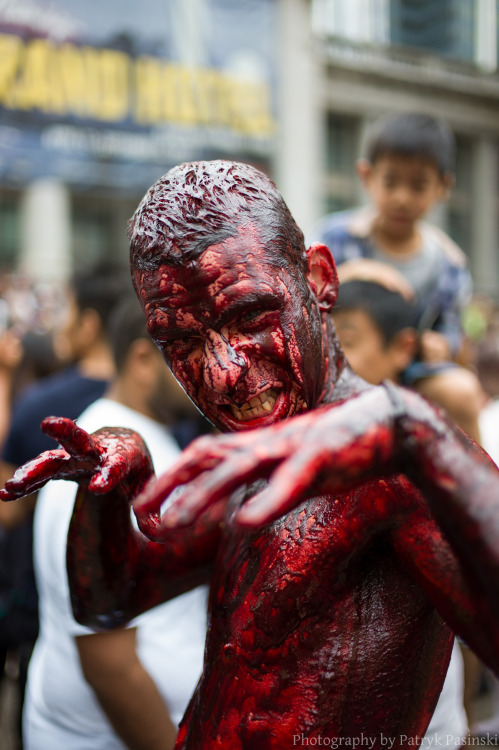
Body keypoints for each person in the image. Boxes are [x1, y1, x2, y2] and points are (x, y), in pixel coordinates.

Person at [3, 160, 499, 750]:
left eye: (249, 317)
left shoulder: (394, 459)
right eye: (182, 342)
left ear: (317, 279)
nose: (223, 374)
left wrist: (416, 432)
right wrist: (109, 487)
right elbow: (108, 602)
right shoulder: (245, 458)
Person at [23, 295, 208, 750]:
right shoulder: (101, 463)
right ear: (144, 359)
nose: (218, 373)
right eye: (196, 355)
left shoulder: (157, 442)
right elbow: (108, 663)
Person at [331, 279, 469, 744]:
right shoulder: (295, 443)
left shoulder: (425, 453)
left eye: (345, 341)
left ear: (402, 348)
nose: (327, 358)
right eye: (319, 338)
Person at [0, 262, 129, 746]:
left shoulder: (40, 407)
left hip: (44, 614)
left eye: (70, 310)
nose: (62, 323)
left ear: (91, 323)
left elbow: (7, 508)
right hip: (132, 612)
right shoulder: (155, 407)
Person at [308, 112, 483, 443]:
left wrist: (443, 344)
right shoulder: (335, 238)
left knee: (460, 391)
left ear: (443, 186)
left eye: (418, 185)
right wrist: (352, 273)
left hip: (410, 370)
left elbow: (451, 326)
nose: (402, 197)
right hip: (340, 361)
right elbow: (297, 291)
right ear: (367, 176)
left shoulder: (448, 263)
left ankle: (479, 488)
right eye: (391, 182)